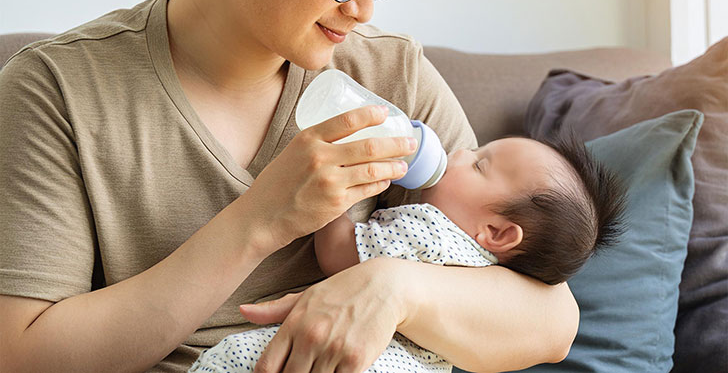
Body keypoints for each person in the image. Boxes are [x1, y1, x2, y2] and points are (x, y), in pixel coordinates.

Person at [0, 0, 580, 371]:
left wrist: (390, 287)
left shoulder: (390, 70)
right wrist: (260, 221)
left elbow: (552, 321)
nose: (365, 7)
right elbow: (20, 353)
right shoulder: (57, 90)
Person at [188, 134, 626, 372]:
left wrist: (337, 196)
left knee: (234, 360)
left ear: (495, 232)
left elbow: (340, 255)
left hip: (366, 359)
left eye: (477, 163)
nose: (458, 150)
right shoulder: (486, 267)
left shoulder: (430, 233)